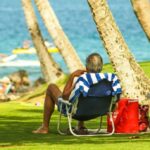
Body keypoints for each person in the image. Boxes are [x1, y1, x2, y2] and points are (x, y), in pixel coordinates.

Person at [32, 53, 103, 134]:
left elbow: (65, 97)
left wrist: (72, 77)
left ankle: (44, 127)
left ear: (86, 67)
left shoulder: (81, 80)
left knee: (51, 87)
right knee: (82, 97)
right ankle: (81, 125)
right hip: (95, 112)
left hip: (76, 112)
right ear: (101, 67)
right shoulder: (105, 81)